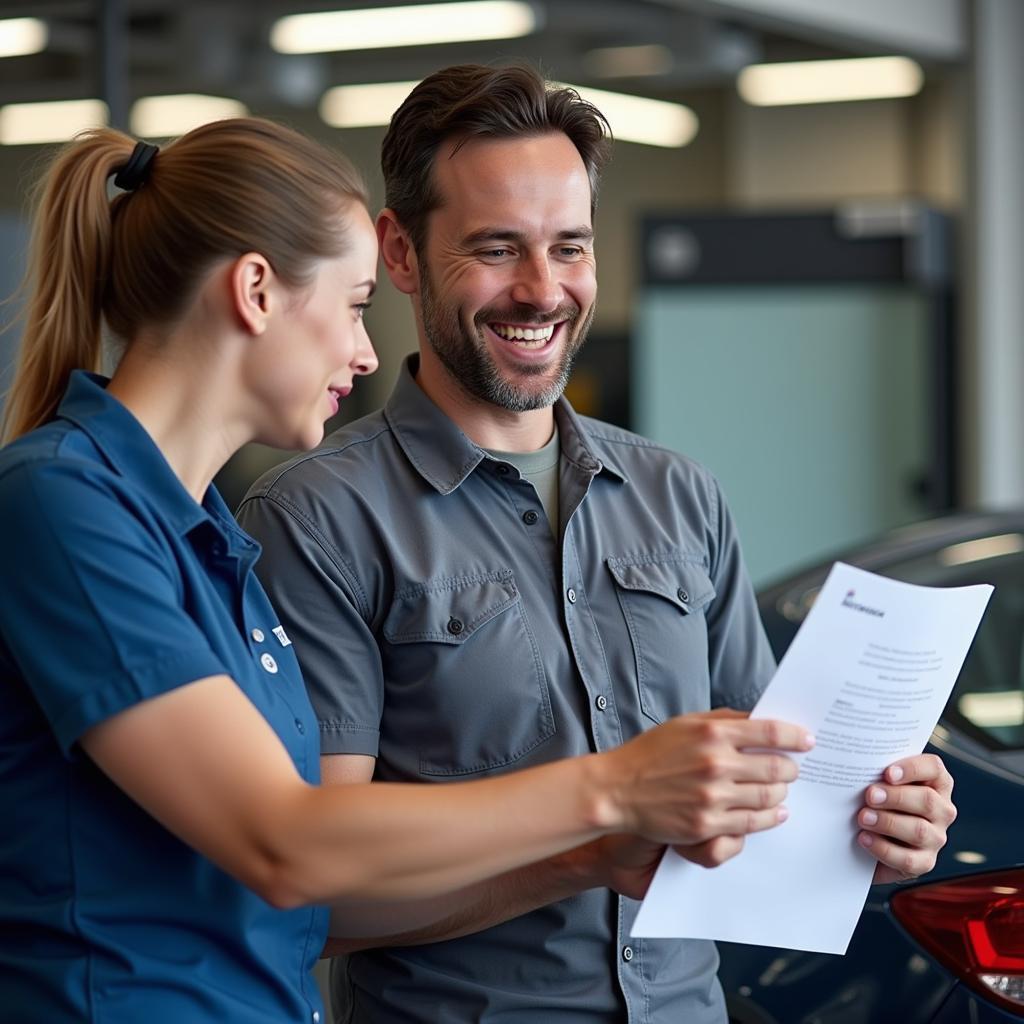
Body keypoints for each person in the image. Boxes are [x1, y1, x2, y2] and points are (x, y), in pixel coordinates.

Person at [0, 117, 816, 1024]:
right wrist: (615, 788)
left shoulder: (203, 539)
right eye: (354, 306)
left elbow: (301, 893)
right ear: (258, 292)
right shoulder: (63, 503)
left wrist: (591, 857)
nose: (363, 349)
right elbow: (289, 843)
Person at [237, 65, 958, 1024]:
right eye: (497, 249)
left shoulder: (678, 495)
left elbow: (771, 807)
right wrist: (582, 854)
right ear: (399, 254)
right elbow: (305, 892)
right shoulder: (315, 518)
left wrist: (879, 826)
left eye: (568, 247)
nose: (542, 291)